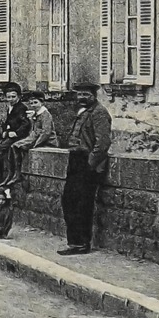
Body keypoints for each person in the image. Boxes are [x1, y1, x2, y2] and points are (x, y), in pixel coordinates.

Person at [59, 83, 112, 255]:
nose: (81, 97)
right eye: (79, 94)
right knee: (68, 200)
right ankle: (73, 242)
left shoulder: (99, 113)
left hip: (86, 162)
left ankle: (82, 243)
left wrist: (90, 164)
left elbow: (102, 142)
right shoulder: (83, 111)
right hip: (75, 160)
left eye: (85, 94)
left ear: (93, 95)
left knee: (82, 204)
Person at [0, 82, 30, 195]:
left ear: (19, 97)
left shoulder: (21, 108)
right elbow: (8, 123)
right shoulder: (10, 108)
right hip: (9, 136)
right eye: (8, 97)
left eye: (13, 96)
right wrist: (5, 131)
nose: (11, 99)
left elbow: (25, 124)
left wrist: (16, 133)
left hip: (18, 137)